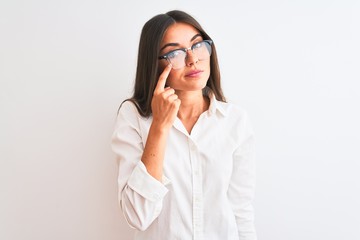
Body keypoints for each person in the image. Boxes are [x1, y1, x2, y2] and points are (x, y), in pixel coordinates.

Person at [111, 10, 257, 240]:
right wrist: (159, 126)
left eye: (198, 45)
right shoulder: (134, 117)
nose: (193, 59)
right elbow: (138, 216)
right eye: (175, 53)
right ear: (155, 64)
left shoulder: (235, 121)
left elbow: (241, 211)